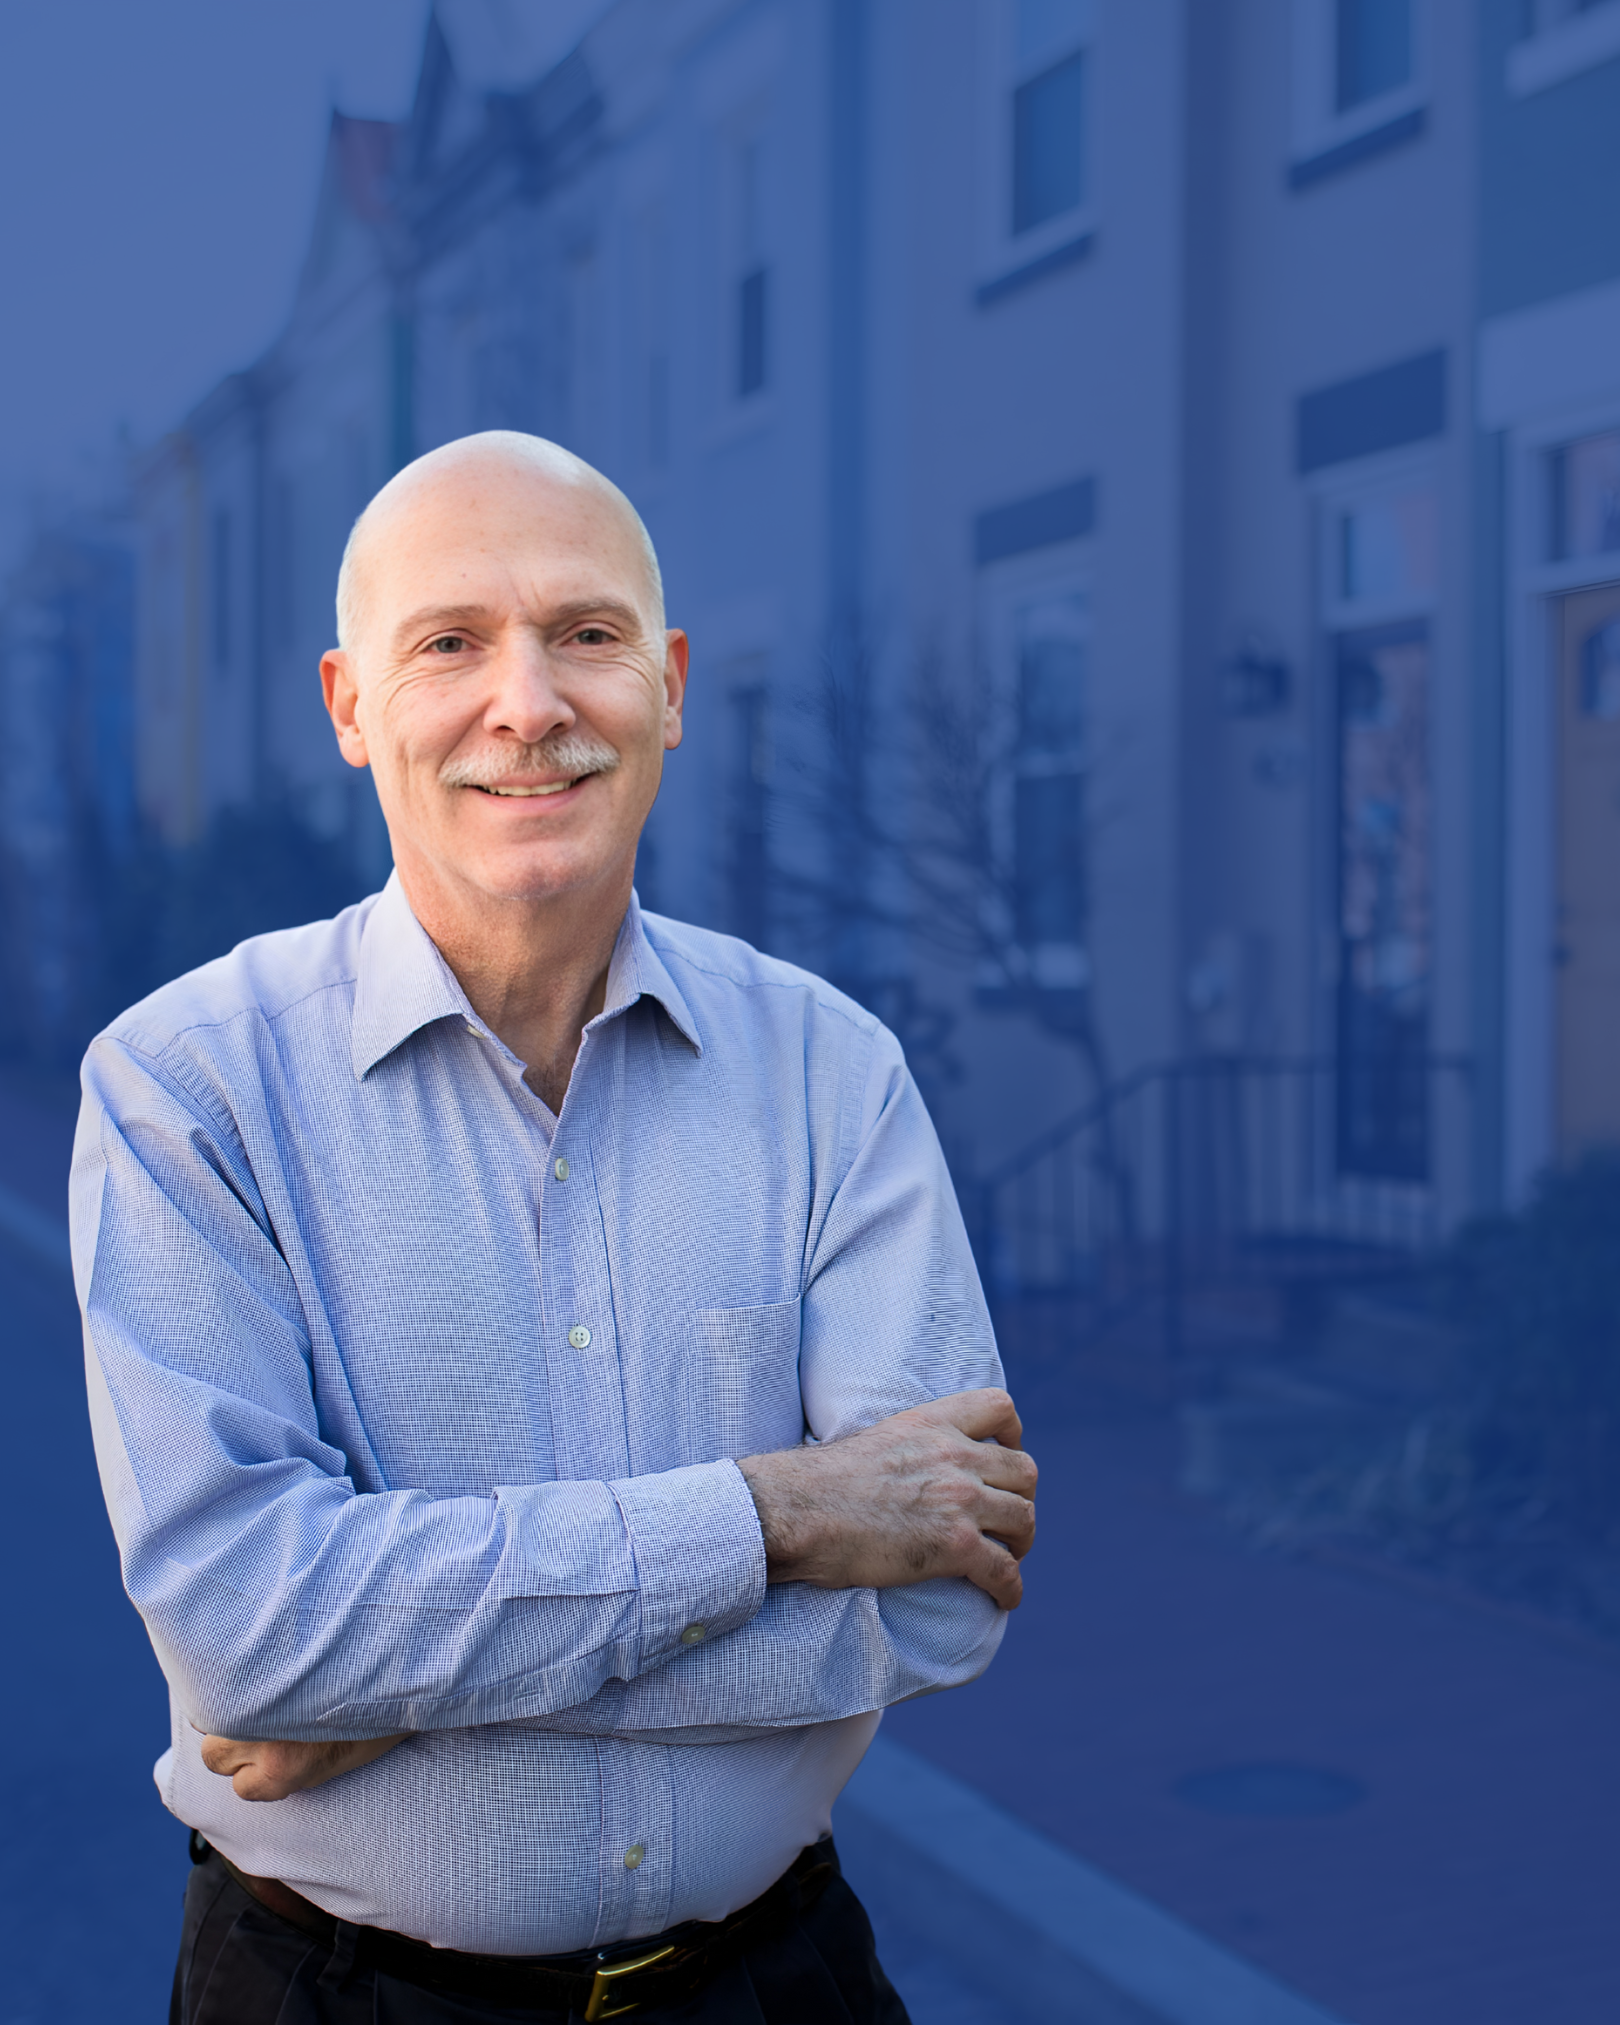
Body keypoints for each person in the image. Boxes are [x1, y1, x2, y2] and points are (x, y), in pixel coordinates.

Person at [73, 431, 1037, 2024]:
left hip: (774, 1984)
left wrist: (375, 1692)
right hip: (331, 1997)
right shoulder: (189, 1088)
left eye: (585, 636)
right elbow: (250, 1631)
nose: (529, 703)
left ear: (666, 685)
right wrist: (778, 1514)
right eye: (449, 643)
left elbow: (939, 1592)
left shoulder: (830, 1071)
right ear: (350, 706)